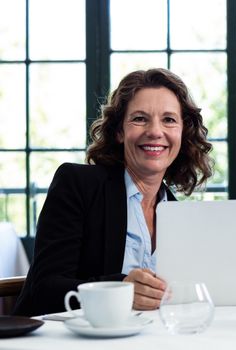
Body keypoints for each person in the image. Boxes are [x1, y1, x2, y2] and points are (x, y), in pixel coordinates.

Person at [14, 68, 213, 316]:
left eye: (169, 120)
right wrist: (120, 289)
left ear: (183, 133)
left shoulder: (177, 215)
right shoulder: (77, 184)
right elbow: (44, 288)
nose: (155, 131)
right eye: (140, 118)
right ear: (119, 131)